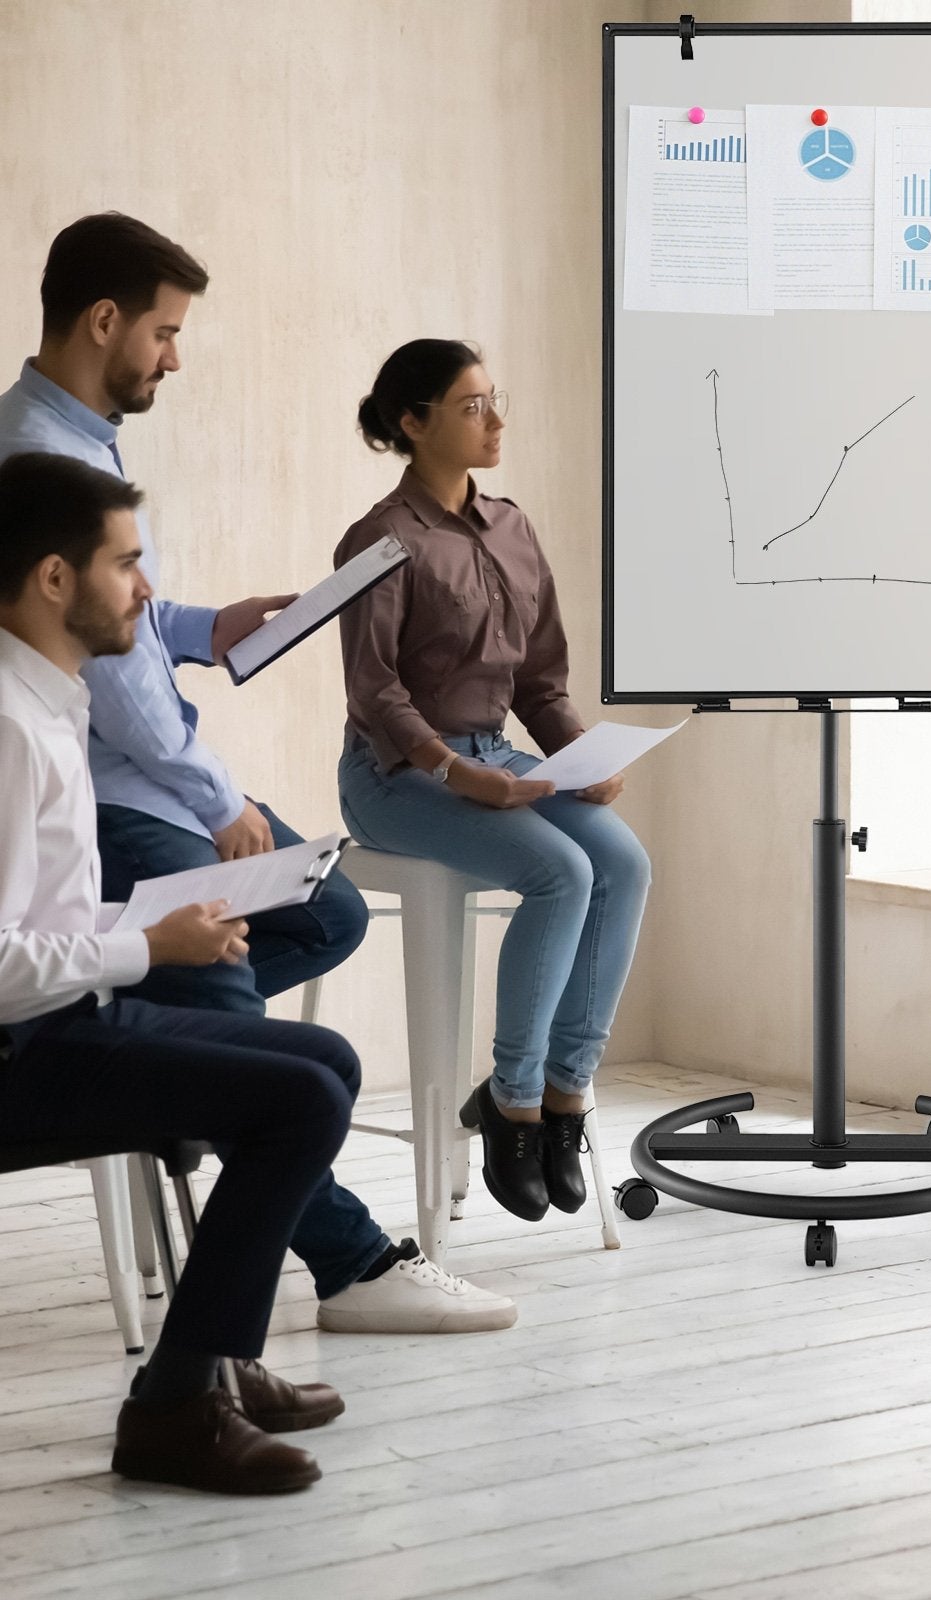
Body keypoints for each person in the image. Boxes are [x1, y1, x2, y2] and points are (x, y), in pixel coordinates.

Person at [0, 213, 513, 1333]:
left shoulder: (71, 434)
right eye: (165, 334)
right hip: (117, 794)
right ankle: (351, 1261)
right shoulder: (40, 450)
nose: (174, 358)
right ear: (104, 322)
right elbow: (116, 685)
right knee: (228, 985)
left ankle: (144, 1022)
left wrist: (203, 622)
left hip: (136, 780)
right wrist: (220, 801)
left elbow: (123, 617)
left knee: (323, 909)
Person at [0, 451, 356, 1493]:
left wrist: (161, 921)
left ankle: (206, 1367)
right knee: (296, 1097)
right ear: (55, 580)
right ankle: (174, 1407)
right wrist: (149, 946)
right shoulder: (11, 728)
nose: (148, 591)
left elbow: (42, 916)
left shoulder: (48, 701)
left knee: (324, 1060)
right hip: (29, 1046)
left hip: (69, 1017)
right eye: (128, 564)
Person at [336, 340, 651, 1223]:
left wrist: (579, 759)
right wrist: (456, 772)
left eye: (492, 400)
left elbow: (541, 681)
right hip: (397, 771)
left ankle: (564, 1097)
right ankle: (510, 1104)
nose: (495, 420)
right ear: (414, 422)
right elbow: (374, 694)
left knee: (623, 864)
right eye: (472, 406)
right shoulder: (380, 540)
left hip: (501, 751)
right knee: (563, 873)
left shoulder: (512, 527)